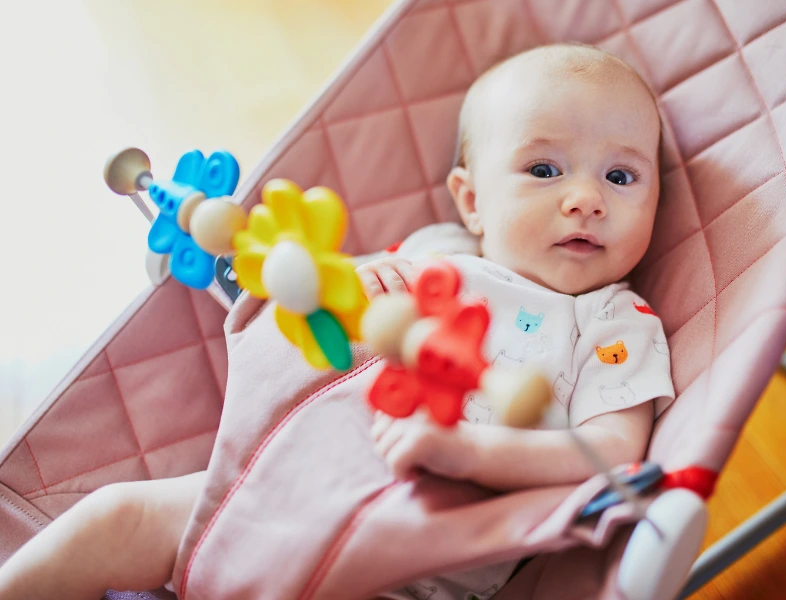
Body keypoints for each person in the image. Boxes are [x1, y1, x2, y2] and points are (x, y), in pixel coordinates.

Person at [0, 43, 673, 600]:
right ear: (472, 200)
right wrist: (350, 281)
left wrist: (472, 453)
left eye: (620, 177)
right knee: (120, 515)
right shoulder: (431, 254)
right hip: (270, 488)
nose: (584, 199)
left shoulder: (613, 321)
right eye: (545, 169)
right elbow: (318, 312)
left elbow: (612, 454)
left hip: (399, 562)